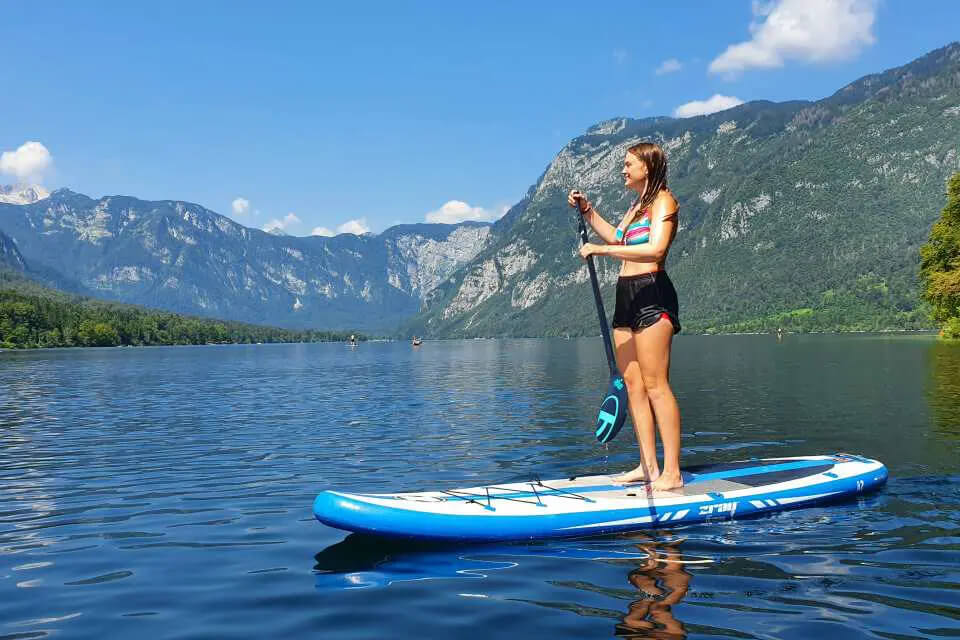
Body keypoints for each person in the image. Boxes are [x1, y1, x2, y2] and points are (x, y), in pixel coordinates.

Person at [568, 141, 683, 491]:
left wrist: (603, 251)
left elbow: (657, 249)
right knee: (633, 384)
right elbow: (619, 236)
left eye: (628, 164)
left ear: (646, 167)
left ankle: (672, 472)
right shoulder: (636, 207)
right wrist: (589, 211)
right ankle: (647, 466)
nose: (623, 169)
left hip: (652, 293)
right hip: (625, 297)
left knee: (655, 385)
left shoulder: (664, 201)